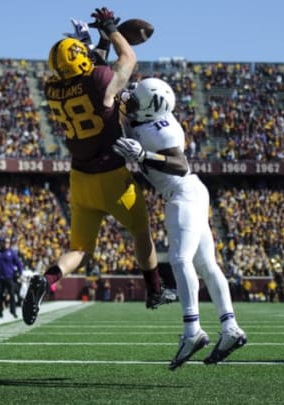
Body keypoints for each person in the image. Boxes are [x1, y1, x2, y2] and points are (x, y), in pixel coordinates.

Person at [23, 6, 173, 326]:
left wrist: (95, 46)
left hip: (80, 177)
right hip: (112, 176)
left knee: (78, 249)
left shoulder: (53, 89)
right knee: (141, 232)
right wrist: (111, 30)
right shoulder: (98, 80)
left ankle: (46, 280)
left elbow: (92, 68)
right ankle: (155, 290)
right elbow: (128, 60)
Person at [112, 77, 247, 370]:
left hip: (182, 193)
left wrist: (142, 155)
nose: (129, 99)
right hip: (191, 192)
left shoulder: (163, 131)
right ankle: (230, 327)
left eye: (135, 98)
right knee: (208, 266)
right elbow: (123, 99)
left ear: (150, 107)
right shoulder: (148, 115)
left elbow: (180, 164)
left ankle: (192, 330)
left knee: (180, 259)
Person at [0, 237, 23, 319]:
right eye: (5, 242)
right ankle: (0, 312)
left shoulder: (12, 253)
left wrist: (20, 272)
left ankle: (13, 311)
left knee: (12, 294)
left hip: (9, 277)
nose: (6, 244)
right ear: (1, 243)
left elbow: (18, 263)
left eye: (7, 242)